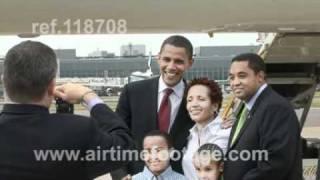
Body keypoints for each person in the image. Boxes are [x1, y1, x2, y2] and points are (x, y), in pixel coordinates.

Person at [0, 41, 134, 180]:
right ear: (52, 86)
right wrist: (89, 96)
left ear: (4, 82)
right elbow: (124, 148)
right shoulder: (79, 130)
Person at [116, 35, 195, 175]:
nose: (171, 66)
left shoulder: (198, 99)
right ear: (158, 58)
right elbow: (117, 139)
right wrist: (121, 175)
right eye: (166, 59)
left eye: (179, 61)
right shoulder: (132, 92)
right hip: (138, 176)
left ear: (190, 63)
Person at [224, 53, 302, 180]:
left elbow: (275, 162)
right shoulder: (246, 106)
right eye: (232, 77)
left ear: (260, 76)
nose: (235, 82)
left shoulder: (275, 107)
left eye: (242, 76)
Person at [182, 77, 231, 179]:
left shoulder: (227, 133)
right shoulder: (190, 136)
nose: (194, 104)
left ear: (215, 106)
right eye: (189, 100)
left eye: (201, 99)